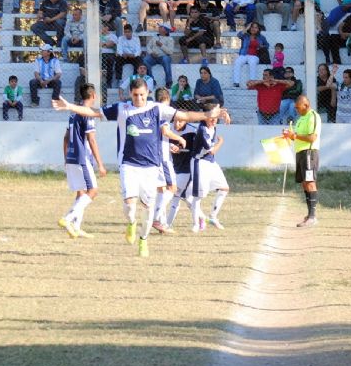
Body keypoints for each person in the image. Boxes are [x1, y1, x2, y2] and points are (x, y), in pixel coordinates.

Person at [51, 78, 230, 257]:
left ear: (148, 93)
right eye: (135, 95)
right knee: (130, 206)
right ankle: (131, 224)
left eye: (142, 95)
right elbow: (94, 112)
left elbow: (185, 116)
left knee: (147, 207)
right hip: (128, 165)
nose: (139, 99)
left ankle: (143, 241)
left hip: (151, 167)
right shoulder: (122, 109)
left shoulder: (157, 109)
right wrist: (70, 107)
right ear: (130, 93)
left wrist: (208, 115)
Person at [57, 83, 107, 239]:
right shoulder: (88, 114)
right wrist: (100, 164)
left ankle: (76, 227)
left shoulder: (73, 113)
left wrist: (66, 158)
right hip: (82, 158)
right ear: (93, 96)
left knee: (81, 192)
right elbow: (91, 140)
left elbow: (66, 138)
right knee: (93, 191)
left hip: (72, 157)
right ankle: (68, 218)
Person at [151, 88, 189, 235]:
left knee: (161, 190)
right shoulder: (163, 111)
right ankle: (155, 218)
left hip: (156, 152)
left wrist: (169, 145)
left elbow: (159, 135)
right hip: (162, 157)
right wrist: (179, 138)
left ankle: (162, 223)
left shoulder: (152, 110)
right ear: (167, 99)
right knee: (172, 188)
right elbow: (165, 132)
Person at [188, 103, 230, 232]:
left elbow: (217, 112)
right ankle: (196, 224)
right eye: (211, 118)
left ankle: (212, 216)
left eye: (215, 118)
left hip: (211, 162)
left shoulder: (212, 125)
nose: (213, 121)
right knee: (197, 197)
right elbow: (211, 151)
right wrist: (221, 142)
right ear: (204, 117)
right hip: (200, 163)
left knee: (224, 188)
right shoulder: (202, 130)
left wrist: (224, 114)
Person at [282, 95, 321, 227]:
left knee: (310, 182)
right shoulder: (300, 119)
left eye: (298, 108)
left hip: (309, 153)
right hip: (300, 154)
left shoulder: (313, 116)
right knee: (304, 183)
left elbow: (312, 138)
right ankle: (309, 214)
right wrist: (289, 136)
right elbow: (297, 137)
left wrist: (295, 135)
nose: (297, 110)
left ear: (306, 105)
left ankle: (312, 216)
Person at [164, 117, 205, 232]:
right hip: (173, 168)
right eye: (175, 121)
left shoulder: (193, 131)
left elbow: (198, 148)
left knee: (175, 195)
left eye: (180, 121)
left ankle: (167, 225)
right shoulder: (168, 129)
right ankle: (201, 217)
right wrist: (170, 147)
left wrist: (181, 148)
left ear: (186, 121)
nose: (177, 124)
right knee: (186, 198)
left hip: (187, 169)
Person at [232, 21, 269, 88]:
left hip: (255, 56)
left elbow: (267, 45)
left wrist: (261, 46)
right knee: (237, 62)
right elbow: (239, 35)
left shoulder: (261, 37)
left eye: (256, 27)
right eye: (252, 27)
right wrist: (247, 28)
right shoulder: (245, 35)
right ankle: (236, 82)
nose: (253, 29)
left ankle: (252, 82)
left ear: (258, 29)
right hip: (244, 54)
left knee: (252, 62)